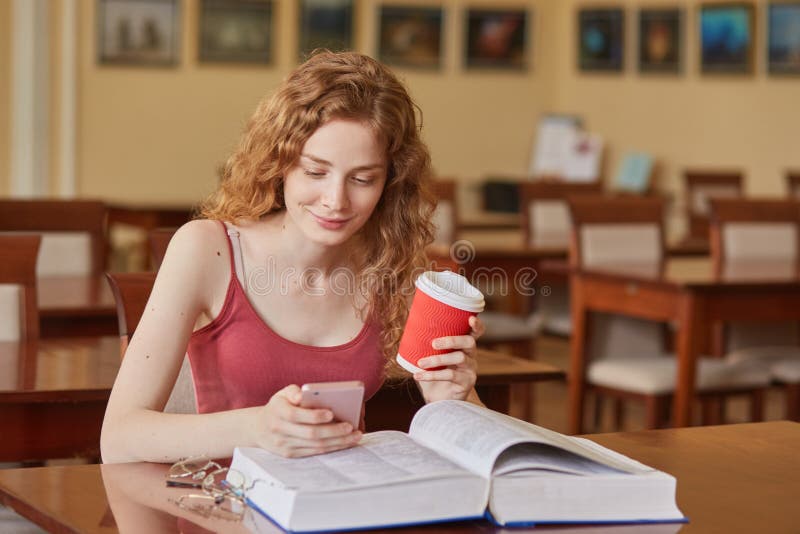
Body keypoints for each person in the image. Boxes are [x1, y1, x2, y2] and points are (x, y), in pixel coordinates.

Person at [101, 51, 485, 464]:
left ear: (390, 182)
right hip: (221, 511)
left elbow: (481, 445)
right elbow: (119, 437)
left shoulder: (389, 265)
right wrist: (256, 429)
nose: (335, 201)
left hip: (342, 510)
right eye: (315, 172)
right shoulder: (205, 250)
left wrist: (454, 402)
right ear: (280, 162)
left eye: (362, 179)